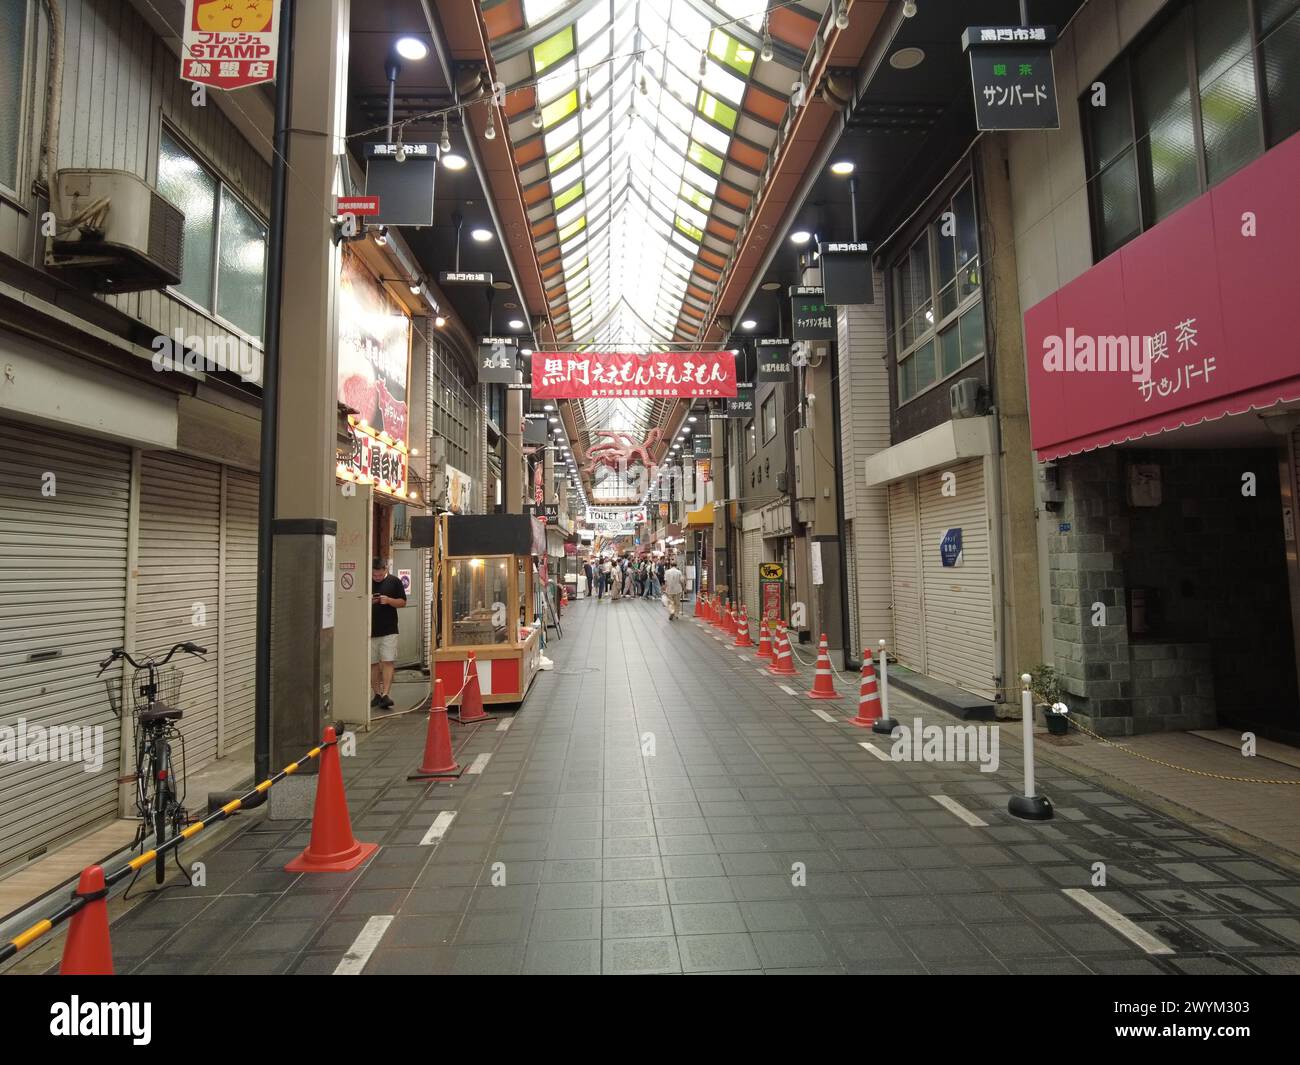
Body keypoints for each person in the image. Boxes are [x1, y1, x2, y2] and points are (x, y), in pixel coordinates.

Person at [370, 557, 406, 709]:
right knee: (372, 663)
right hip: (369, 630)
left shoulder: (395, 581)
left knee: (388, 661)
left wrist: (389, 600)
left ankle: (385, 694)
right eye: (374, 575)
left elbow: (403, 602)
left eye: (379, 575)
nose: (376, 578)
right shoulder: (366, 581)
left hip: (389, 629)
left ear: (385, 569)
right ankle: (376, 694)